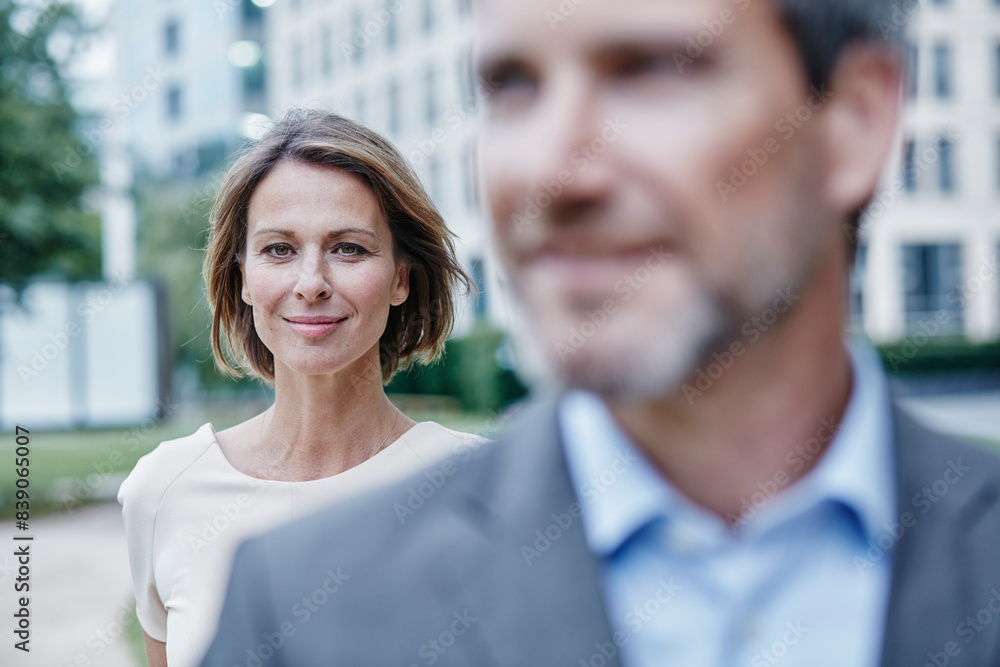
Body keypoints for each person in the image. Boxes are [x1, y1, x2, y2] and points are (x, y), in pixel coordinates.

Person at [201, 2, 1000, 666]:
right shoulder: (302, 620)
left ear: (854, 120)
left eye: (650, 71)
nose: (554, 170)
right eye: (513, 86)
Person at [118, 109, 485, 667]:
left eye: (349, 248)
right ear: (242, 277)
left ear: (401, 279)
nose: (311, 283)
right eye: (279, 250)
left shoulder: (481, 488)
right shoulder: (164, 491)